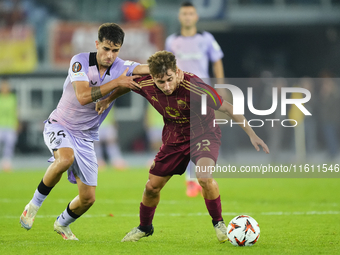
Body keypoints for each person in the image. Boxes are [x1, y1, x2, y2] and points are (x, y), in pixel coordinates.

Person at [96, 51, 269, 243]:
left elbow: (227, 107)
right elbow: (126, 85)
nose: (167, 86)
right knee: (152, 187)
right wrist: (107, 99)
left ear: (177, 72)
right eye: (161, 82)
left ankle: (218, 223)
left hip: (204, 134)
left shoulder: (195, 86)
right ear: (152, 77)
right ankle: (145, 227)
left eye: (170, 79)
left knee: (203, 176)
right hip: (174, 138)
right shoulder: (145, 82)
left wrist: (252, 134)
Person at [19, 23, 150, 240]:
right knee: (64, 159)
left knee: (88, 198)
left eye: (115, 50)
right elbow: (82, 96)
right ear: (97, 44)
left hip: (85, 136)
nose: (110, 55)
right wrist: (116, 83)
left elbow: (140, 73)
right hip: (60, 124)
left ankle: (62, 224)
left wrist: (171, 67)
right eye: (106, 49)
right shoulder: (79, 61)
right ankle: (33, 206)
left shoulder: (121, 65)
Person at [165, 1, 227, 197]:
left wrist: (221, 87)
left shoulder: (206, 39)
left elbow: (217, 61)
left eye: (191, 13)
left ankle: (195, 177)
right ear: (180, 17)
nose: (188, 17)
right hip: (180, 94)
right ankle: (192, 179)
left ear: (196, 17)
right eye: (184, 13)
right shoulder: (171, 41)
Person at [94, 106, 127, 171]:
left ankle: (116, 160)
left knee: (112, 142)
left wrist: (114, 122)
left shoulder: (109, 97)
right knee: (96, 144)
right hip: (96, 123)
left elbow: (112, 111)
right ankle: (98, 161)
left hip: (108, 124)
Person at [0, 79, 19, 172]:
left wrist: (16, 123)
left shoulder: (12, 98)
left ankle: (6, 163)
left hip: (10, 125)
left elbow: (15, 112)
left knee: (9, 144)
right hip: (0, 125)